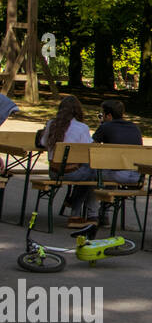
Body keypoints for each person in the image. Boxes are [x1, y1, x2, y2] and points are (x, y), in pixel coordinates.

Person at [39, 94, 95, 226]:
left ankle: (73, 203)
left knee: (88, 175)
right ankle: (76, 212)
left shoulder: (51, 124)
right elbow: (88, 149)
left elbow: (43, 143)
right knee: (93, 175)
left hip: (53, 172)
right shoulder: (82, 128)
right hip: (72, 172)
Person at [90, 98, 144, 226]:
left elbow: (92, 149)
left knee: (91, 175)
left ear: (108, 115)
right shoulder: (134, 128)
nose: (101, 117)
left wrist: (101, 126)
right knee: (111, 170)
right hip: (136, 176)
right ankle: (105, 212)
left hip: (118, 174)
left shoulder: (105, 127)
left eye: (101, 114)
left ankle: (92, 214)